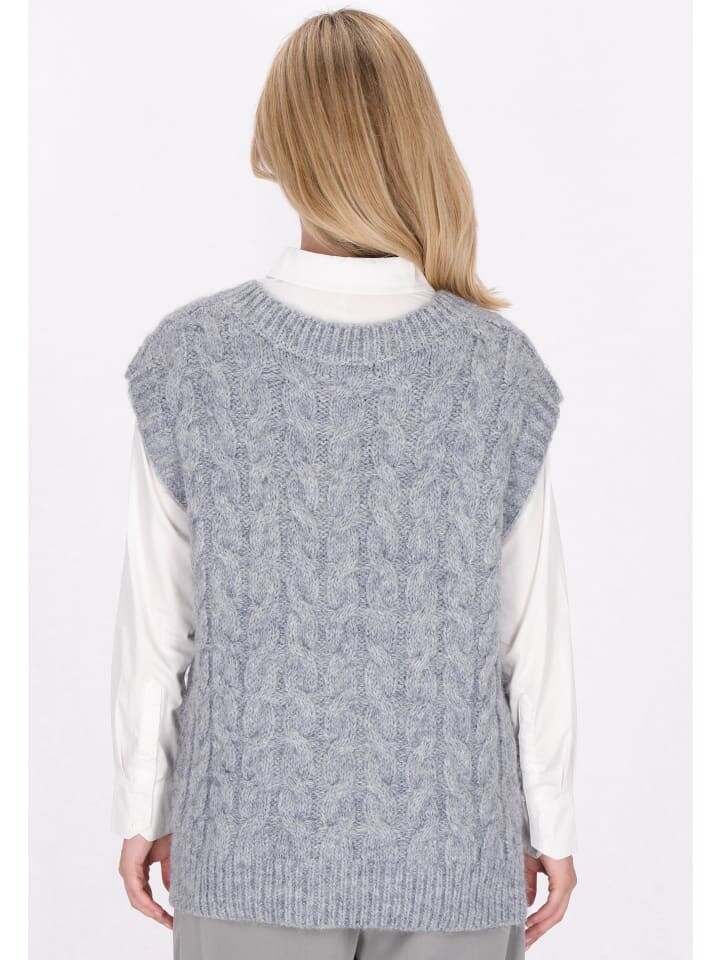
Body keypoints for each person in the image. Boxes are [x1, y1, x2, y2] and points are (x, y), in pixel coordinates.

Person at [110, 9, 578, 959]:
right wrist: (554, 824)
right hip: (456, 859)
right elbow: (531, 637)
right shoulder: (496, 371)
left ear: (274, 151)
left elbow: (159, 627)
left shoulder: (193, 361)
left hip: (245, 851)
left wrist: (140, 806)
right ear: (416, 140)